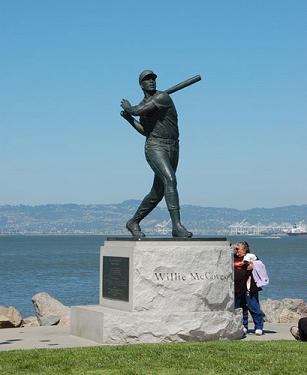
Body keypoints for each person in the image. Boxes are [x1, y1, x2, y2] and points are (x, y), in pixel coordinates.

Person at [120, 70, 192, 238]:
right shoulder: (146, 104)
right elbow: (145, 130)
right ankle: (177, 227)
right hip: (155, 146)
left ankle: (133, 222)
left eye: (153, 78)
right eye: (147, 79)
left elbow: (136, 110)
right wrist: (130, 119)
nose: (151, 81)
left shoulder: (162, 97)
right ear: (141, 84)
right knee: (170, 179)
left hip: (173, 146)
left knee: (157, 193)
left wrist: (128, 109)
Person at [233, 241, 264, 336]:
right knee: (240, 308)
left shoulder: (251, 257)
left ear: (245, 249)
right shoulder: (232, 257)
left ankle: (258, 327)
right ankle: (244, 326)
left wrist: (253, 265)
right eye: (235, 249)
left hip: (249, 286)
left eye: (238, 249)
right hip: (237, 287)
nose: (236, 251)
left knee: (253, 306)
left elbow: (260, 266)